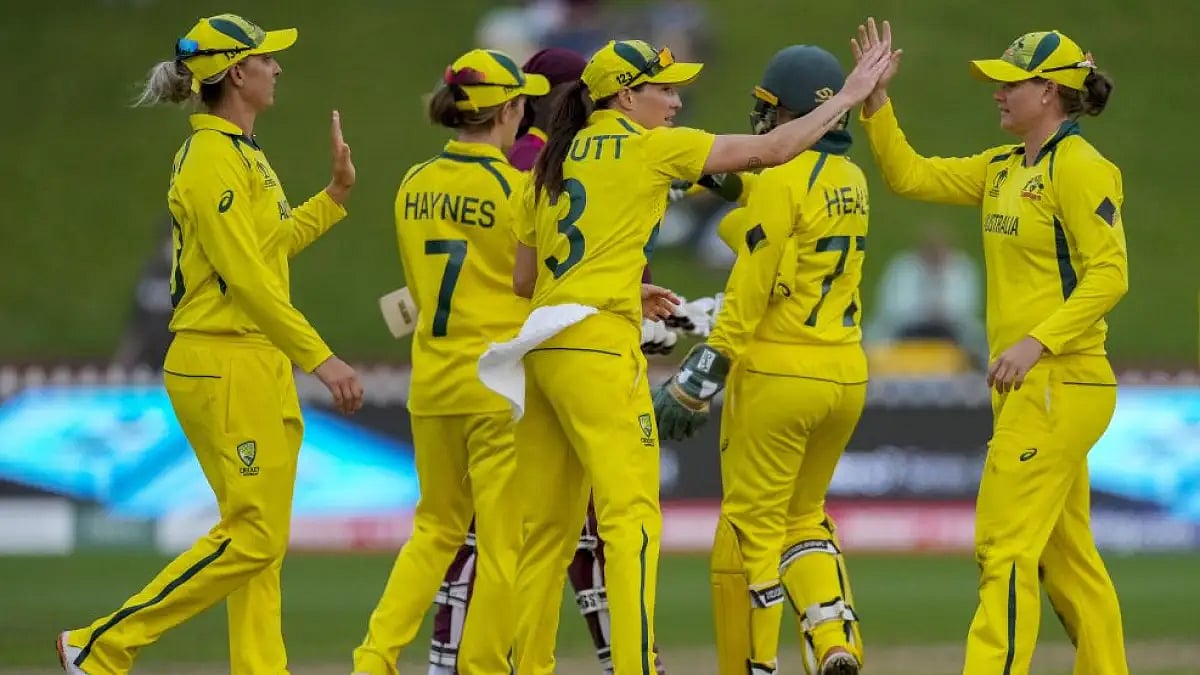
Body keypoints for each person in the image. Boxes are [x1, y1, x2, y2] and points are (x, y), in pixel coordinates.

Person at [482, 31, 894, 675]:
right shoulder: (650, 149)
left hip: (543, 348)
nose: (676, 102)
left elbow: (526, 281)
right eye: (665, 90)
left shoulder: (550, 162)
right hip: (600, 351)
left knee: (545, 534)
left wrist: (626, 285)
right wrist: (848, 96)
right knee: (633, 523)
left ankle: (524, 666)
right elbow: (774, 150)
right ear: (625, 97)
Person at [57, 13, 362, 675]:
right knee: (253, 536)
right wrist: (321, 357)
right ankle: (100, 646)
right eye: (265, 59)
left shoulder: (243, 153)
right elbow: (245, 277)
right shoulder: (209, 161)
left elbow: (268, 249)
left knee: (258, 542)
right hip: (221, 358)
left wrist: (334, 197)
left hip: (253, 358)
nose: (277, 68)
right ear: (236, 72)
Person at [852, 19, 1128, 675]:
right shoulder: (1003, 167)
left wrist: (1037, 342)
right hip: (1031, 389)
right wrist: (877, 102)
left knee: (1002, 548)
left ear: (1050, 90)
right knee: (1069, 561)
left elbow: (1110, 273)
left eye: (1011, 83)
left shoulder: (1083, 168)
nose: (997, 93)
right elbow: (910, 175)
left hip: (1062, 382)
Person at [425, 46, 670, 675]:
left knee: (495, 538)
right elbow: (527, 277)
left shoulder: (430, 179)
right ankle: (632, 663)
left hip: (475, 366)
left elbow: (481, 279)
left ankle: (470, 663)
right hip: (552, 354)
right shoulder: (541, 166)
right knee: (598, 530)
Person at [653, 44, 872, 675]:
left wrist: (706, 367)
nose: (762, 120)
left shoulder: (779, 182)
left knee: (749, 532)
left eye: (771, 111)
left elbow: (758, 280)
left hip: (779, 372)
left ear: (790, 114)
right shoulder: (850, 179)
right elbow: (774, 199)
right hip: (845, 374)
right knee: (805, 519)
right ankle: (833, 639)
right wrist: (713, 177)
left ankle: (755, 665)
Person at [349, 48, 549, 675]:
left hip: (432, 383)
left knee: (434, 530)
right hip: (498, 388)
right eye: (523, 103)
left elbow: (414, 288)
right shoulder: (515, 189)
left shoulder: (412, 183)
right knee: (503, 544)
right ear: (507, 110)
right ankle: (484, 667)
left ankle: (374, 660)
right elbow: (538, 284)